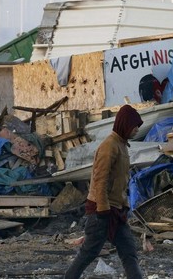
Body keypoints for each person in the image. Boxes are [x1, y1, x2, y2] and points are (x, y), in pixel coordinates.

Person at [64, 105, 145, 279]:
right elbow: (99, 180)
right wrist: (102, 209)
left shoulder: (121, 145)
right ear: (125, 124)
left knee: (129, 251)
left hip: (116, 209)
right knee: (89, 252)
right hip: (102, 211)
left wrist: (123, 205)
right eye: (134, 126)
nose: (137, 129)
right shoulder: (109, 146)